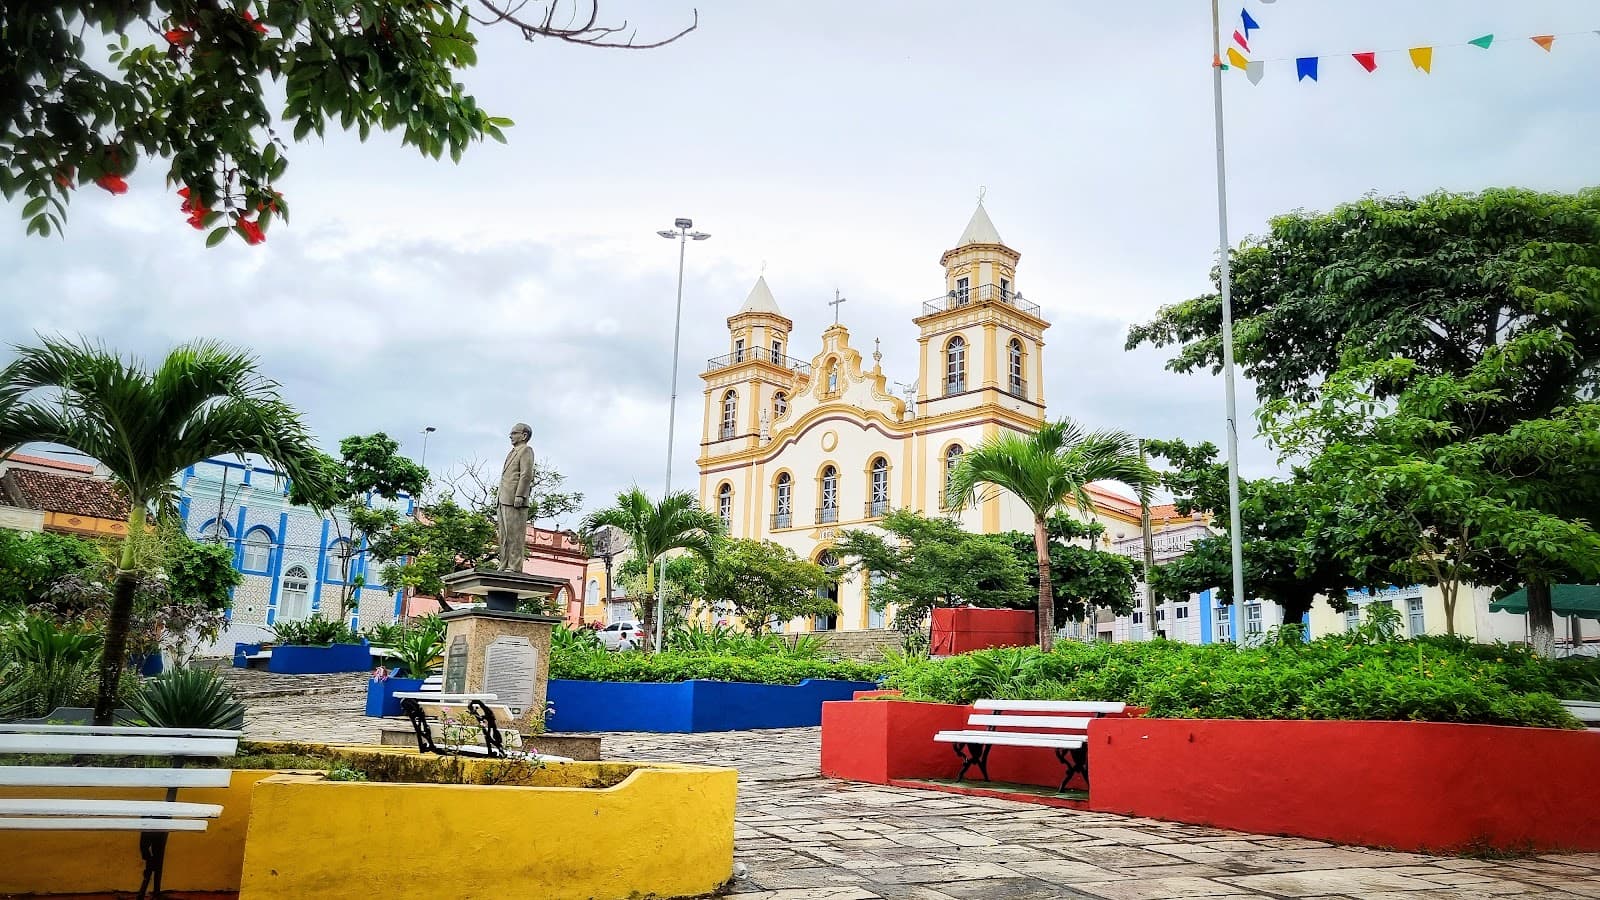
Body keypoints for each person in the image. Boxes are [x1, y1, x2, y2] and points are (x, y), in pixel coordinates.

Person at [497, 423, 535, 570]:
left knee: (515, 535)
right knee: (504, 536)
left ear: (524, 435)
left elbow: (526, 475)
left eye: (514, 433)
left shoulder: (526, 450)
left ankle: (514, 566)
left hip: (515, 499)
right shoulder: (512, 452)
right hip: (503, 498)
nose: (511, 436)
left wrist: (520, 495)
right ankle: (504, 563)